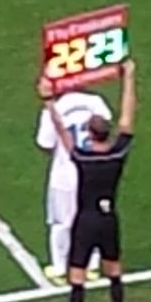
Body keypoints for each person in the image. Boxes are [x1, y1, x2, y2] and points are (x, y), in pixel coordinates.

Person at [40, 58, 139, 302]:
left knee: (77, 275)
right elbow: (128, 117)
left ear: (89, 133)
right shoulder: (117, 155)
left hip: (86, 221)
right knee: (114, 272)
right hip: (109, 220)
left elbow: (61, 133)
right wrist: (129, 78)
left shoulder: (83, 158)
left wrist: (48, 102)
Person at [36, 87, 113, 280]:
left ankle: (60, 269)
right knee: (92, 217)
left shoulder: (54, 109)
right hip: (92, 172)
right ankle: (92, 265)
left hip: (64, 176)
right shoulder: (96, 101)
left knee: (61, 223)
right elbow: (105, 127)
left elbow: (45, 144)